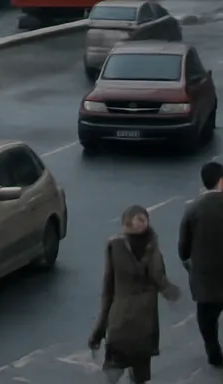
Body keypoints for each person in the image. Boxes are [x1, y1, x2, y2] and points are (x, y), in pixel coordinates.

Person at [89, 204, 181, 383]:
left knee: (112, 373)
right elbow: (160, 279)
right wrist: (174, 293)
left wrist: (98, 332)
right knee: (139, 375)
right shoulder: (152, 247)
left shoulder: (114, 247)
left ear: (125, 224)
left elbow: (108, 292)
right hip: (145, 328)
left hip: (119, 325)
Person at [178, 159, 223, 367]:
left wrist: (190, 265)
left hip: (206, 278)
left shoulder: (194, 209)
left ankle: (214, 353)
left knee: (207, 319)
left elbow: (183, 248)